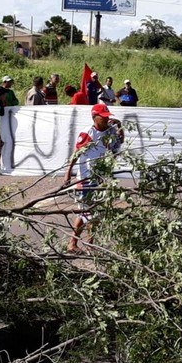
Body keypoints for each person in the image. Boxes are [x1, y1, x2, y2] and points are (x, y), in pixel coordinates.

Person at [64, 104, 124, 253]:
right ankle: (74, 244)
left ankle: (88, 244)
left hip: (99, 178)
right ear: (94, 117)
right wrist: (68, 172)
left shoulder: (109, 132)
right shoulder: (88, 133)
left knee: (94, 213)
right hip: (85, 179)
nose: (106, 120)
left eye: (107, 117)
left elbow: (116, 147)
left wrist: (120, 130)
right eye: (102, 117)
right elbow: (76, 153)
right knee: (87, 213)